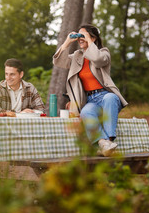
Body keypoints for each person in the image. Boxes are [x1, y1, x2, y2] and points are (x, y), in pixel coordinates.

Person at [53, 24, 128, 156]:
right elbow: (59, 62)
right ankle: (103, 144)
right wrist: (67, 41)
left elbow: (98, 60)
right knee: (86, 112)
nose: (80, 39)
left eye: (84, 36)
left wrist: (87, 39)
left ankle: (109, 140)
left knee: (111, 98)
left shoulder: (104, 52)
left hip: (105, 97)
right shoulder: (77, 56)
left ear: (93, 38)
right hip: (90, 99)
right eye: (79, 36)